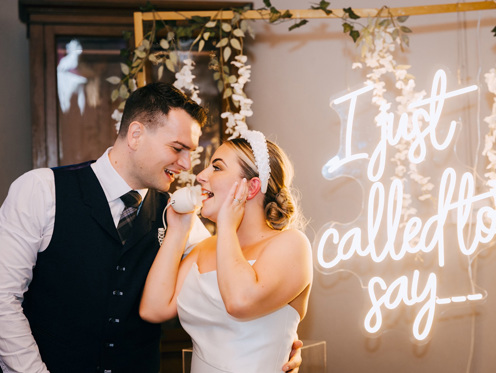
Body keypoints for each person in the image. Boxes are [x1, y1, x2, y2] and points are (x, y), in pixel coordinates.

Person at [0, 82, 302, 373]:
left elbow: (243, 285)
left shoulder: (179, 215)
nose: (188, 166)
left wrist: (280, 341)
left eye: (192, 153)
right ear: (135, 135)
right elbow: (3, 299)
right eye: (178, 148)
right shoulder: (41, 190)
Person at [139, 131, 313, 372]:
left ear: (251, 187)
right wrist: (177, 232)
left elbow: (239, 301)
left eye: (217, 168)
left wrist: (227, 226)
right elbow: (153, 308)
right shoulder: (203, 249)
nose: (200, 176)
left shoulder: (292, 244)